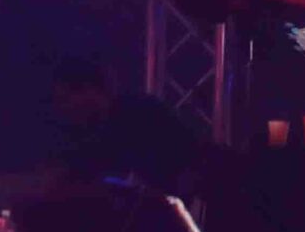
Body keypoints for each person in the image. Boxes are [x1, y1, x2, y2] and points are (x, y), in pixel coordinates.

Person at [49, 57, 197, 197]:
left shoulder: (140, 112)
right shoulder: (87, 132)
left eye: (66, 99)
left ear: (89, 89)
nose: (64, 108)